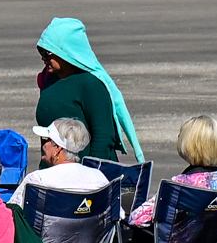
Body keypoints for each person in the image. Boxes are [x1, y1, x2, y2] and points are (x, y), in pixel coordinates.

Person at [30, 15, 142, 164]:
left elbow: (103, 136)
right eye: (41, 51)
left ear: (68, 52)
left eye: (48, 53)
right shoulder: (49, 79)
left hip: (86, 170)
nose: (43, 58)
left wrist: (90, 171)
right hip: (54, 167)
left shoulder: (91, 84)